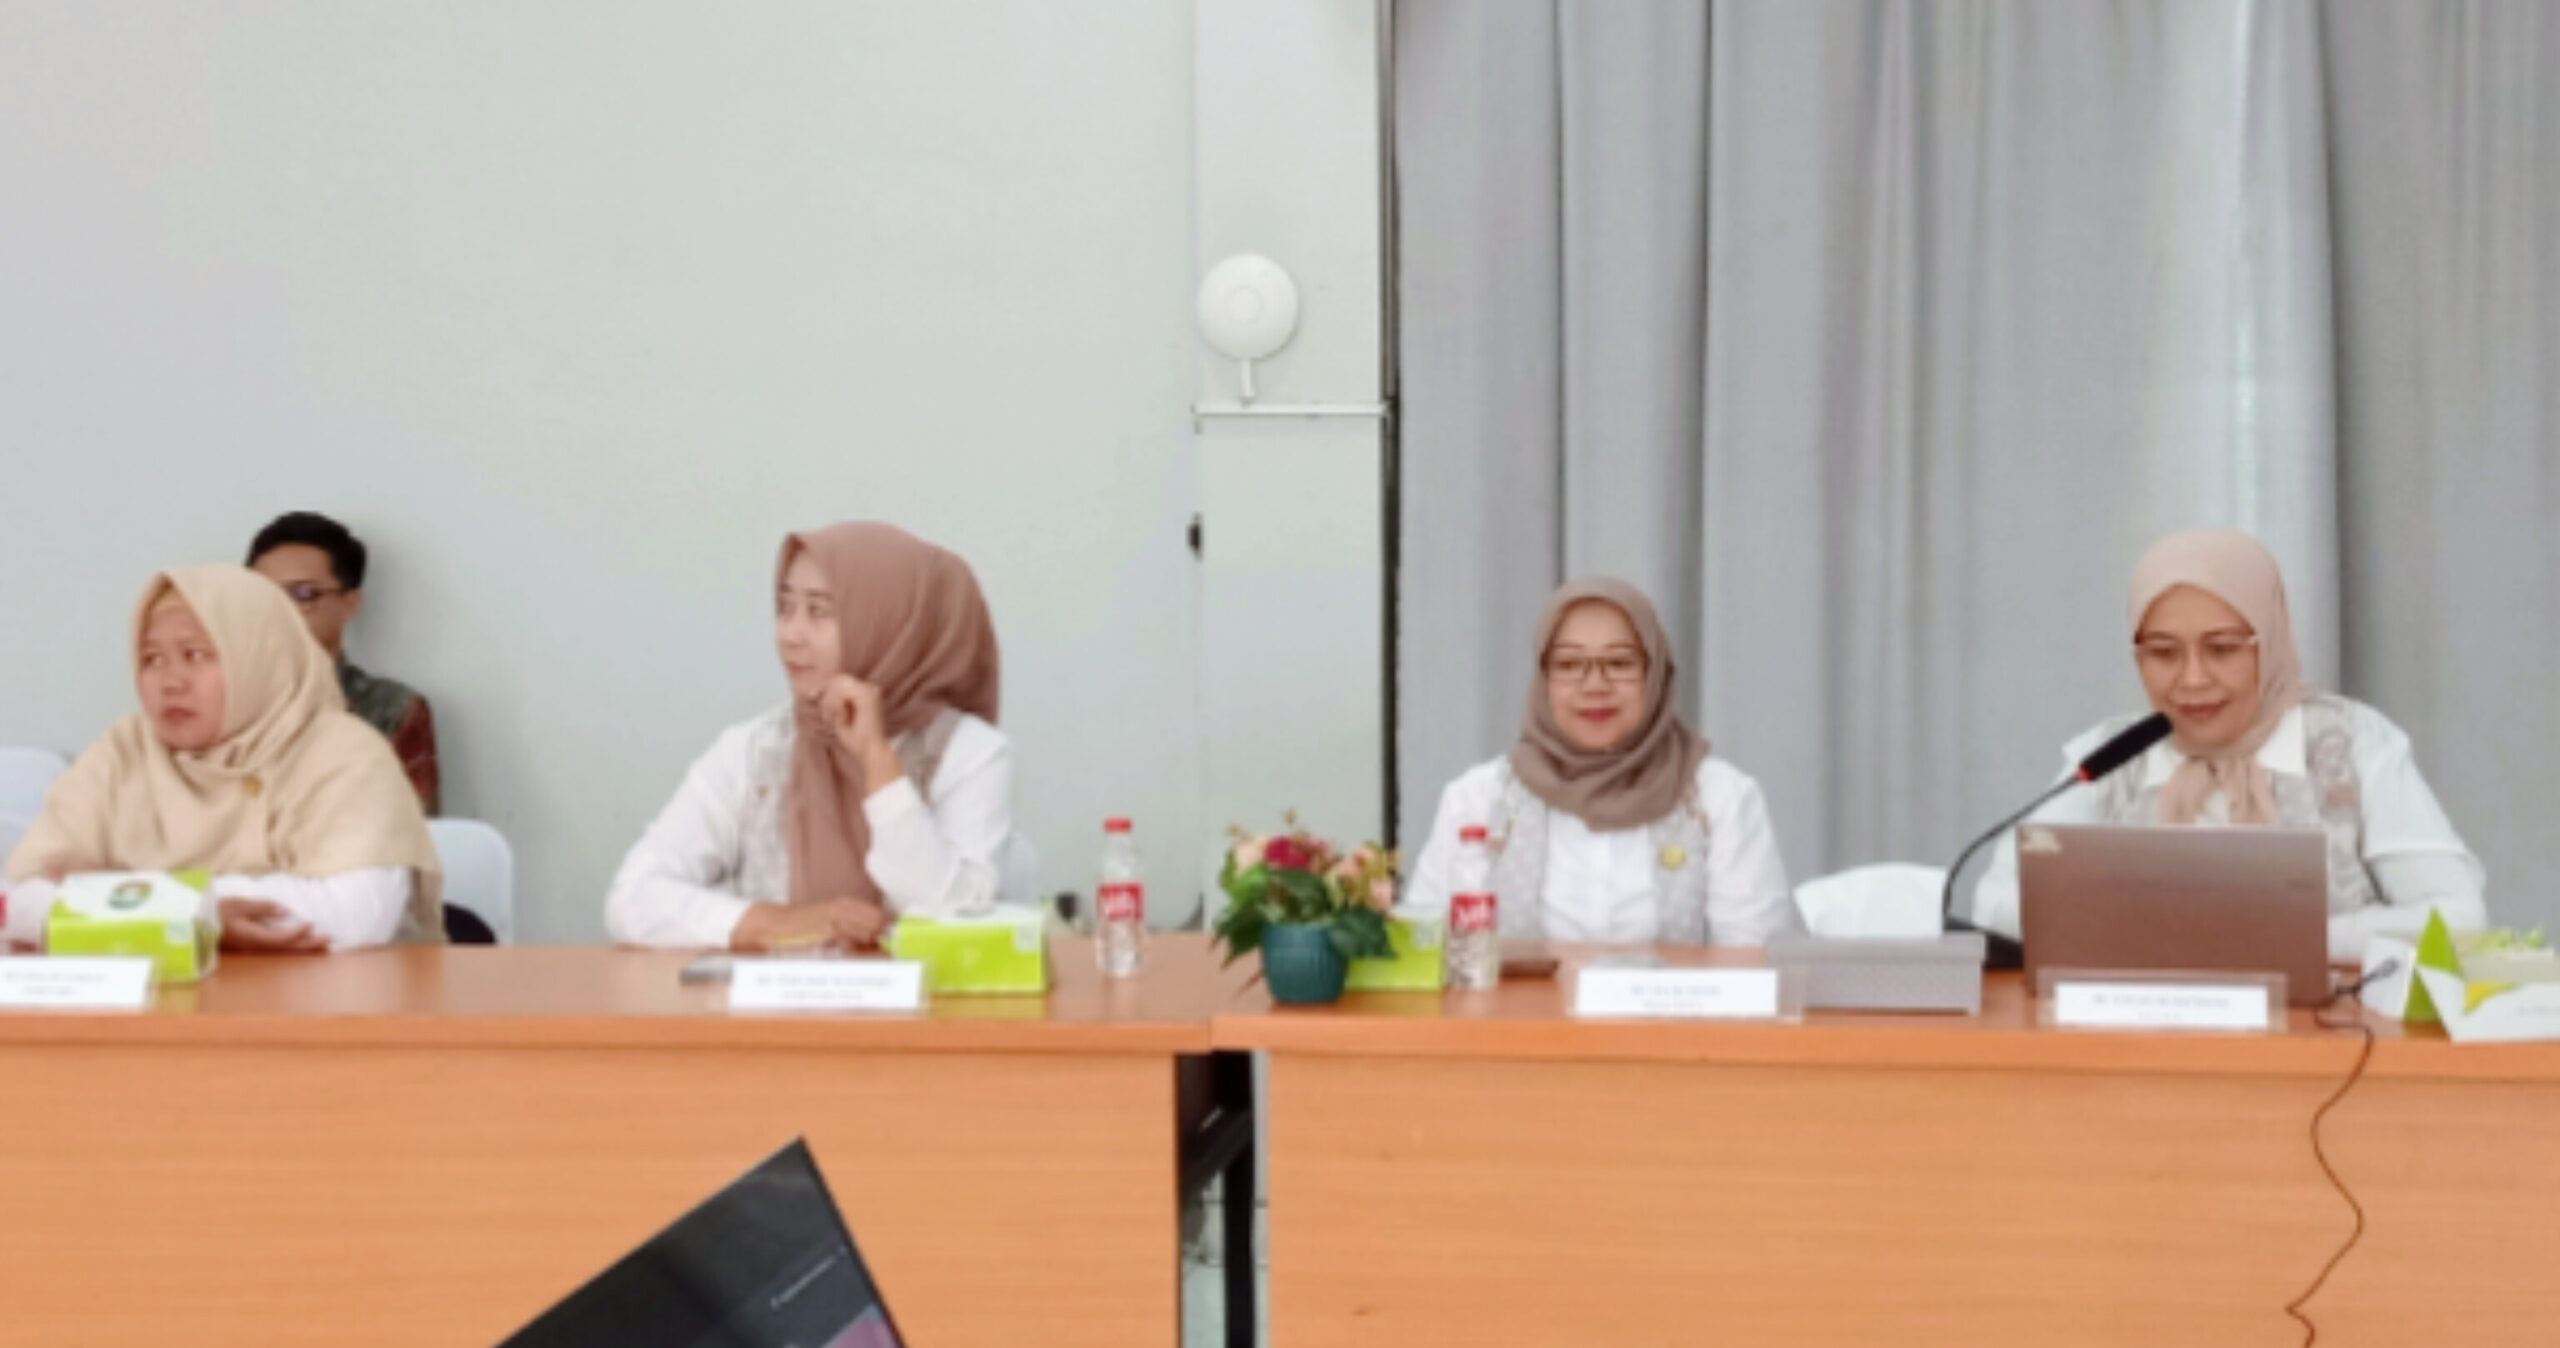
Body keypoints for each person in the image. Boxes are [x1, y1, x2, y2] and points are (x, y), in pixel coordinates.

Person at [1968, 528, 2487, 960]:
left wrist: (2274, 941)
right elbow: (1994, 907)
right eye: (2163, 653)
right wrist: (2164, 934)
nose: (2193, 679)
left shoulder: (2352, 744)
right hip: (2142, 1034)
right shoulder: (2110, 756)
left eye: (2222, 649)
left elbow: (2459, 920)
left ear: (2271, 640)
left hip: (2331, 1036)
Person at [605, 521, 1018, 950]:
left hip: (927, 996)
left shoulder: (970, 753)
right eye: (785, 607)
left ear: (887, 625)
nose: (790, 635)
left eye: (819, 612)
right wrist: (777, 923)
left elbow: (960, 922)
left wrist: (877, 761)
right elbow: (632, 898)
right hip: (782, 996)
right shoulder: (755, 751)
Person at [2, 566, 444, 951]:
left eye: (196, 655)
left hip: (330, 1009)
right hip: (157, 1005)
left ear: (259, 658)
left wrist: (132, 898)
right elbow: (16, 901)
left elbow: (353, 913)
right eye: (151, 658)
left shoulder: (345, 752)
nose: (170, 681)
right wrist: (195, 913)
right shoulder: (125, 749)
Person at [1403, 577, 1800, 944]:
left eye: (1620, 663)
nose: (1594, 685)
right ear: (1543, 679)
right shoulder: (1478, 798)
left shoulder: (1720, 797)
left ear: (1655, 674)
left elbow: (1755, 959)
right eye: (1569, 665)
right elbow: (1423, 945)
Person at [247, 511, 440, 813]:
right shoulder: (215, 701)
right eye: (264, 592)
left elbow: (413, 831)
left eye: (303, 594)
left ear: (350, 603)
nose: (280, 609)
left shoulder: (391, 709)